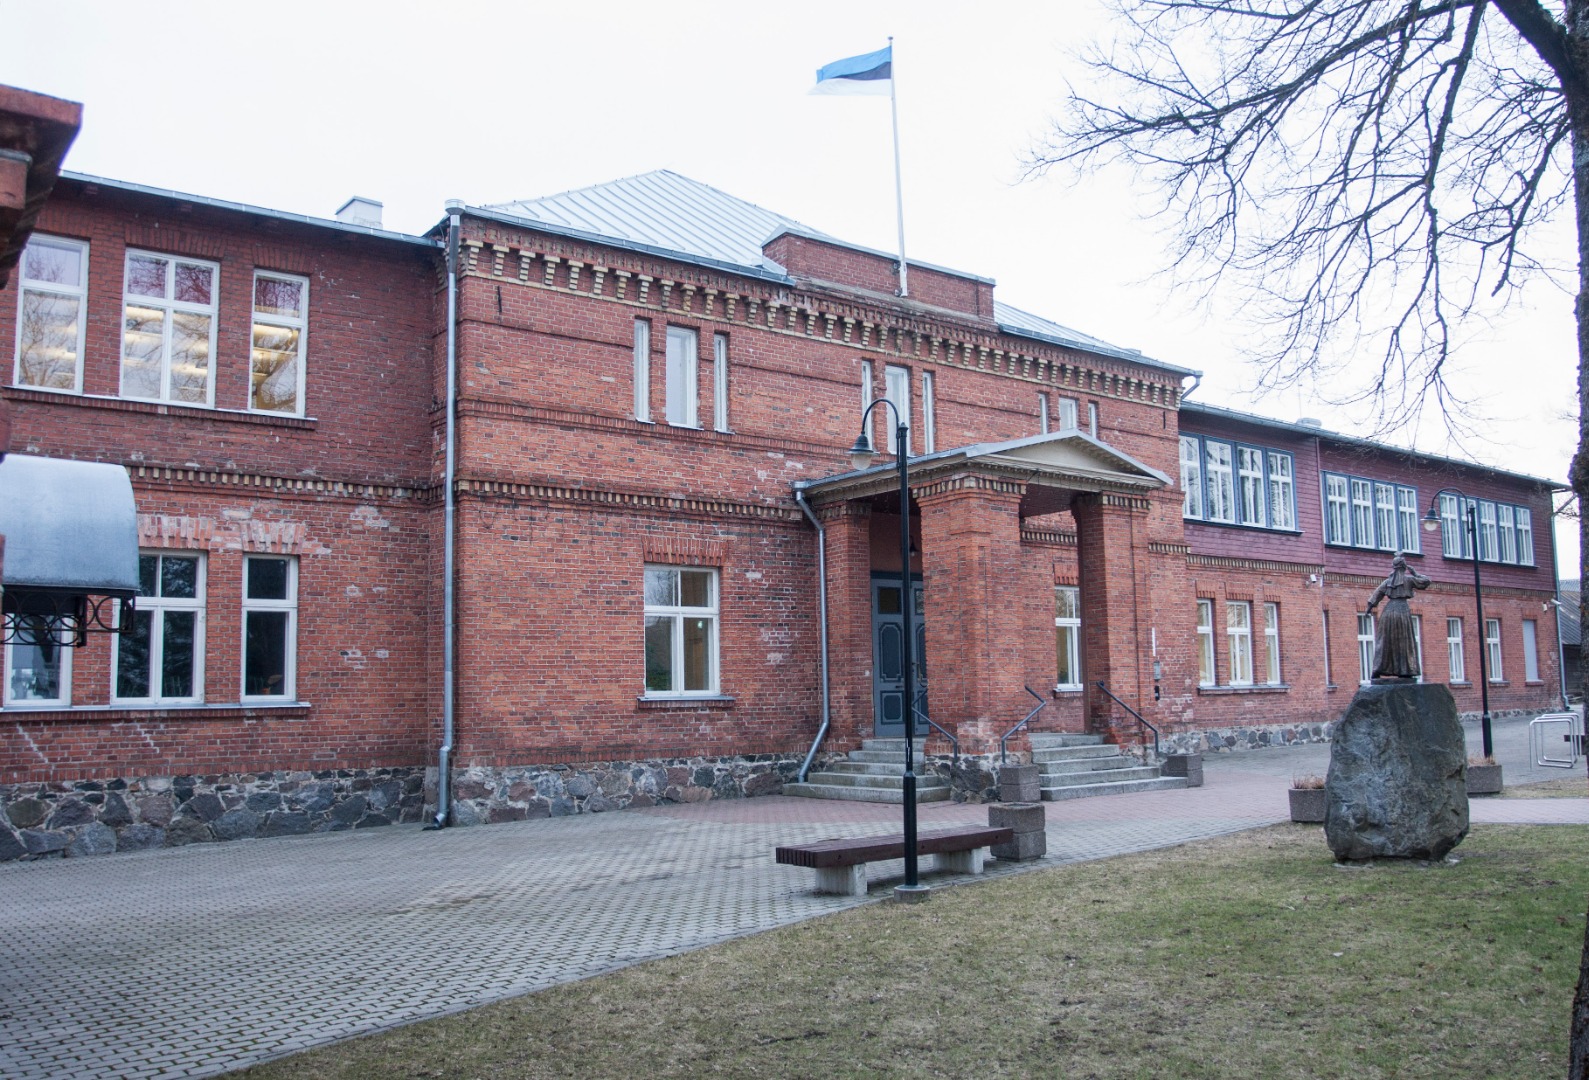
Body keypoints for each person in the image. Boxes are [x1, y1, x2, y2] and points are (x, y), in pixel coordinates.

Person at [1366, 554, 1432, 680]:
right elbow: (1426, 581)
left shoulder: (1388, 582)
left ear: (1394, 568)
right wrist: (1414, 572)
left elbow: (1377, 595)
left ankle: (1377, 670)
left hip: (1389, 611)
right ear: (1404, 567)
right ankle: (1405, 670)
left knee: (1384, 641)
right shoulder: (1408, 580)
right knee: (1403, 641)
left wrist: (1369, 609)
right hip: (1402, 610)